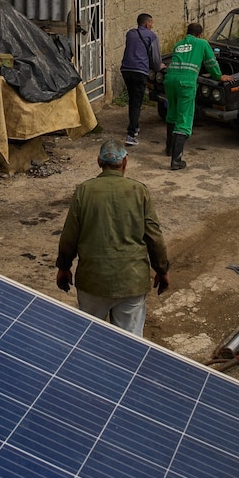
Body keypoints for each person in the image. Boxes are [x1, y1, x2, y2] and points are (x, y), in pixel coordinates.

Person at [55, 139, 170, 336]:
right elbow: (154, 236)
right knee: (128, 346)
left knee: (89, 342)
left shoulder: (84, 191)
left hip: (93, 282)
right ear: (125, 162)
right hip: (131, 283)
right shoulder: (139, 191)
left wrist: (64, 267)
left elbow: (69, 236)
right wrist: (162, 269)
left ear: (99, 162)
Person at [163, 22, 232, 170]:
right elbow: (210, 62)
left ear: (187, 33)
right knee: (184, 119)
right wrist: (219, 76)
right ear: (200, 34)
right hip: (185, 83)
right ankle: (176, 161)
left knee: (172, 113)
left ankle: (169, 149)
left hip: (170, 80)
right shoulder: (202, 43)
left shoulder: (179, 44)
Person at [119, 13, 161, 147]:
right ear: (147, 23)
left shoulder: (130, 33)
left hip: (126, 70)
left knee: (132, 99)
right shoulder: (152, 36)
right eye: (151, 23)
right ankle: (130, 134)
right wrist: (159, 67)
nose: (152, 26)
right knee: (137, 102)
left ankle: (135, 126)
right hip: (140, 71)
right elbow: (155, 59)